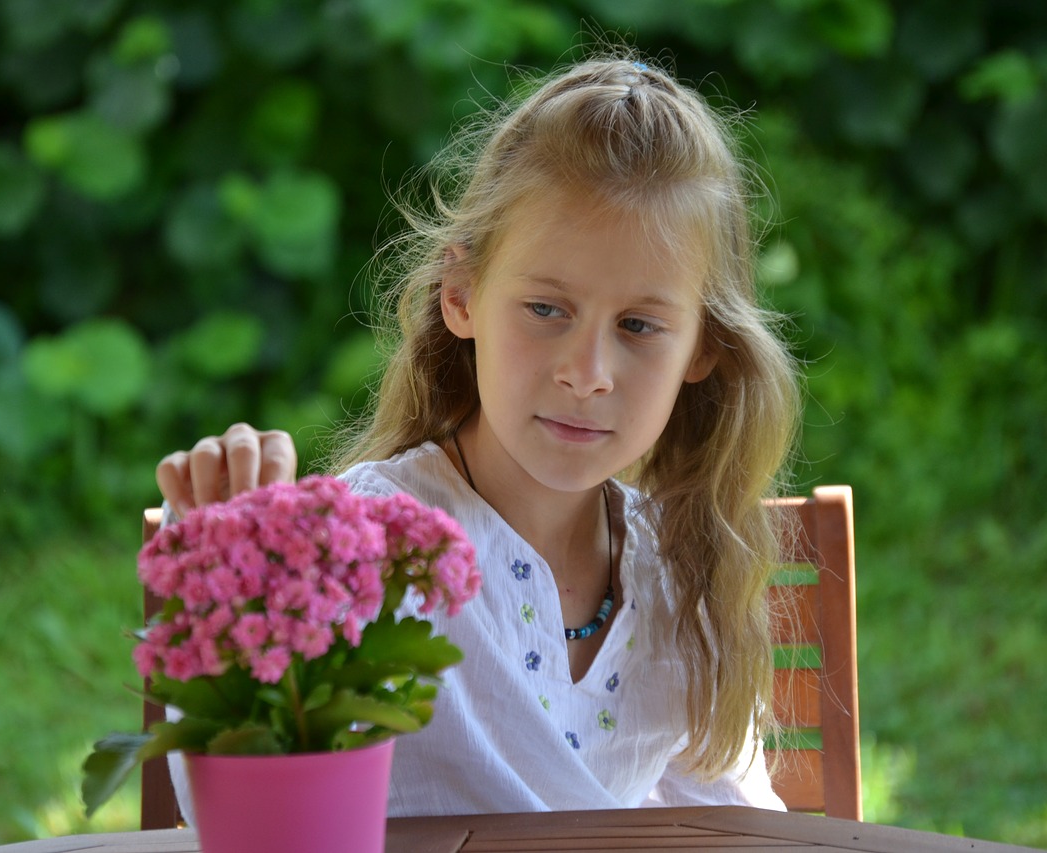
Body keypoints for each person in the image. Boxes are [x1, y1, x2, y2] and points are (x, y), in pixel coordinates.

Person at [155, 52, 800, 816]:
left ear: (701, 350)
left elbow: (735, 824)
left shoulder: (684, 570)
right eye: (546, 309)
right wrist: (240, 587)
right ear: (462, 296)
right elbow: (248, 813)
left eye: (638, 325)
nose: (587, 371)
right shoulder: (366, 546)